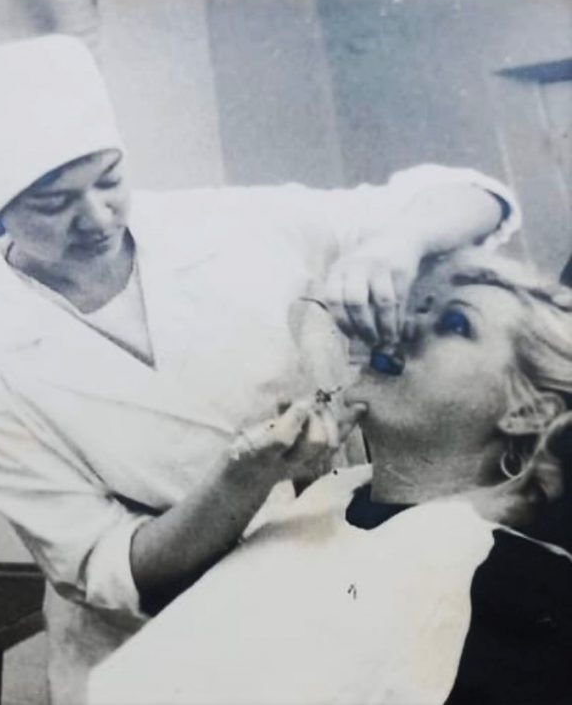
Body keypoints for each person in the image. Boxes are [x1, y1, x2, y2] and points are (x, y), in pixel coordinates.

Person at [0, 34, 521, 703]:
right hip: (163, 650)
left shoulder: (225, 226)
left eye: (109, 178)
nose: (98, 216)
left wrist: (396, 244)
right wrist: (241, 480)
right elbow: (106, 570)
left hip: (334, 591)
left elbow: (474, 197)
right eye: (55, 204)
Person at [89, 249, 572, 705]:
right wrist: (240, 480)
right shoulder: (329, 493)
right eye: (419, 308)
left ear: (528, 411)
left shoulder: (520, 587)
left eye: (455, 323)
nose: (402, 325)